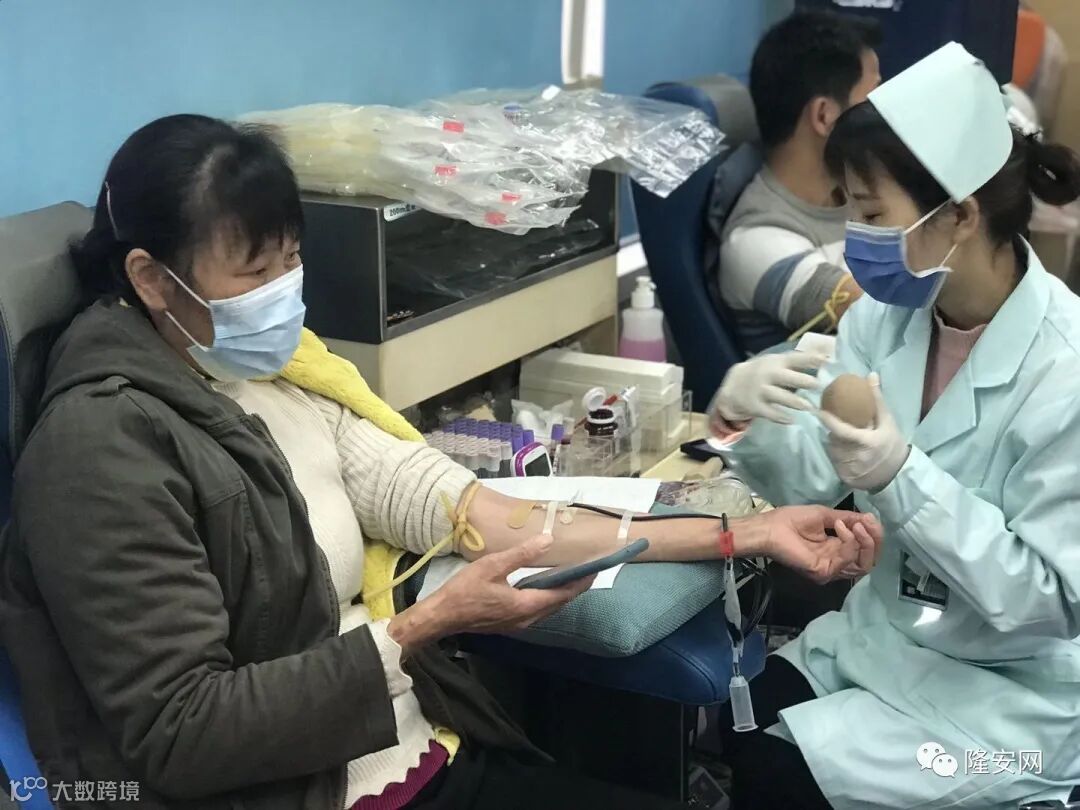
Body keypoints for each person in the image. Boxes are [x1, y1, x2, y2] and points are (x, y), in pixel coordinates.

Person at [0, 114, 881, 810]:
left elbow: (481, 512)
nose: (284, 292)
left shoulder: (279, 379)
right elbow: (182, 734)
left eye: (292, 259)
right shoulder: (99, 450)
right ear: (152, 279)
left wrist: (742, 532)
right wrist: (427, 624)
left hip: (411, 755)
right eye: (254, 272)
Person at [710, 43, 1080, 809]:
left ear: (962, 215)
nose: (856, 236)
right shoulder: (887, 318)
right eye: (848, 208)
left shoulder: (1065, 369)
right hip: (886, 637)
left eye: (873, 214)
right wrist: (747, 419)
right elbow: (812, 480)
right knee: (737, 723)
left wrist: (901, 478)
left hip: (1011, 691)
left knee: (780, 778)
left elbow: (1048, 602)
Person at [716, 10, 881, 353]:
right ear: (824, 116)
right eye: (874, 100)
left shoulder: (860, 196)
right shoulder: (758, 240)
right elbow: (884, 322)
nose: (886, 117)